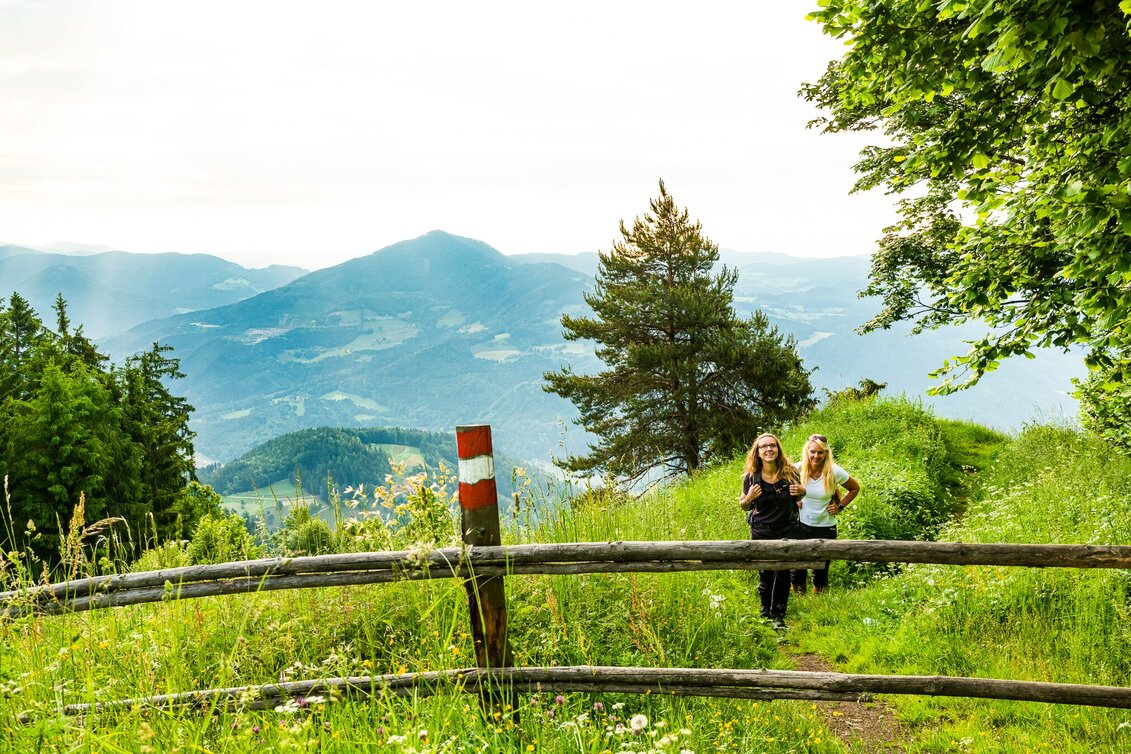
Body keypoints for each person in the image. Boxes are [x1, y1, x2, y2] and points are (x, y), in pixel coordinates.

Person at [738, 432, 803, 629]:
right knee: (765, 573)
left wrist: (803, 492)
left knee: (783, 573)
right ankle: (765, 612)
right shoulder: (751, 477)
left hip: (787, 528)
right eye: (764, 446)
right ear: (757, 452)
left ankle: (779, 616)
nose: (768, 449)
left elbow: (799, 499)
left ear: (778, 449)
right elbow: (744, 505)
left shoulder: (790, 473)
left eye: (772, 446)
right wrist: (748, 498)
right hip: (762, 530)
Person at [789, 434, 860, 594]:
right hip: (801, 524)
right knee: (797, 569)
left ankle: (818, 604)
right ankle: (800, 601)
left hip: (825, 526)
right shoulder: (797, 469)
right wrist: (795, 499)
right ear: (807, 452)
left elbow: (855, 488)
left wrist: (840, 506)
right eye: (813, 452)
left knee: (820, 571)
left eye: (820, 452)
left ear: (826, 453)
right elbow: (779, 482)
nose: (816, 456)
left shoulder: (834, 471)